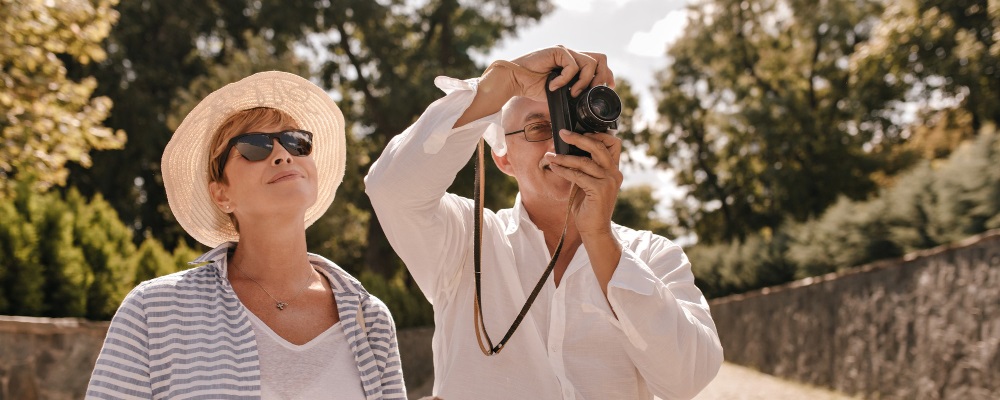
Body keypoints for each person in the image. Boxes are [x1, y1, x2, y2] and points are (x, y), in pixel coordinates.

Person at [365, 46, 723, 399]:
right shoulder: (467, 239)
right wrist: (504, 81)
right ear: (503, 159)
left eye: (576, 126)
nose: (561, 143)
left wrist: (599, 237)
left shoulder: (654, 255)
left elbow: (686, 381)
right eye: (538, 128)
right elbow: (391, 189)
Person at [86, 71, 405, 399]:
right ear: (221, 194)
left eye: (297, 141)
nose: (283, 154)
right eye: (255, 146)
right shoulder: (154, 312)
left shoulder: (369, 318)